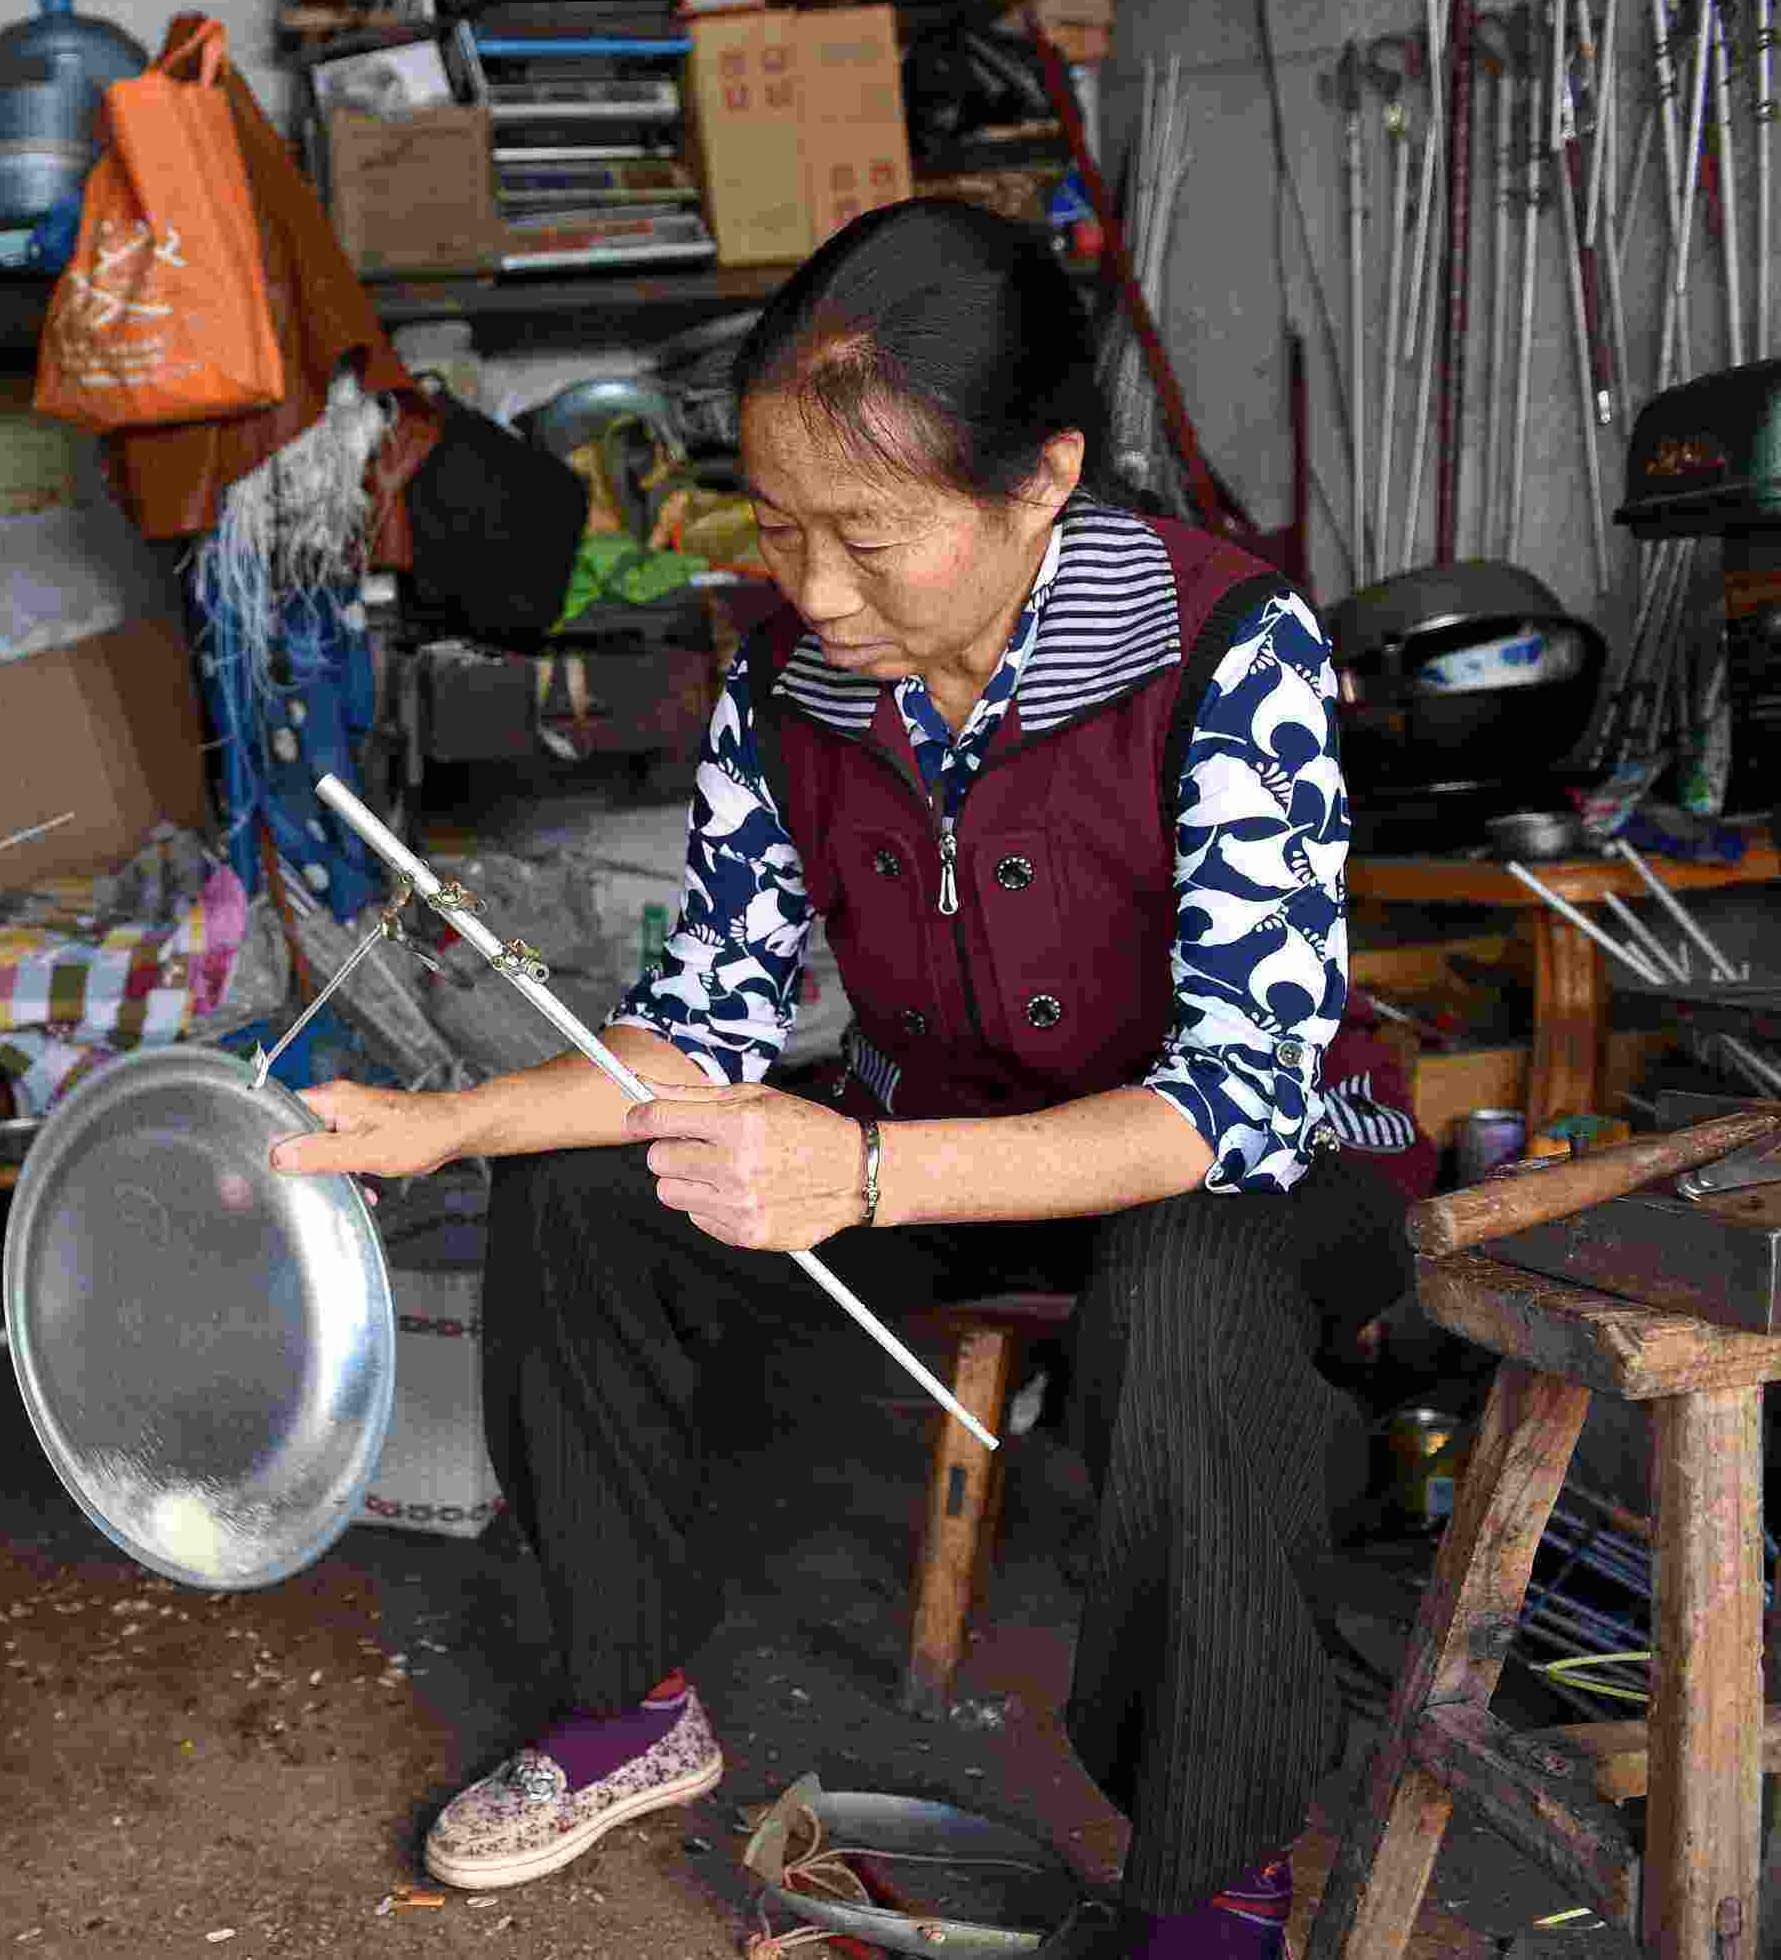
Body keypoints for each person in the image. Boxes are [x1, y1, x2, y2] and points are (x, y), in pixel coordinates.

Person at [271, 199, 1432, 1953]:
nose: (816, 591)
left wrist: (867, 1177)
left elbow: (1231, 1109)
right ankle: (624, 1707)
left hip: (1250, 1175)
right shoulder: (788, 681)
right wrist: (443, 1124)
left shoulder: (1224, 652)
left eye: (872, 538)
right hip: (934, 1140)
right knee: (589, 1186)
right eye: (784, 528)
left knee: (1186, 1292)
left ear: (1043, 482)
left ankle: (1216, 1878)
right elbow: (698, 1038)